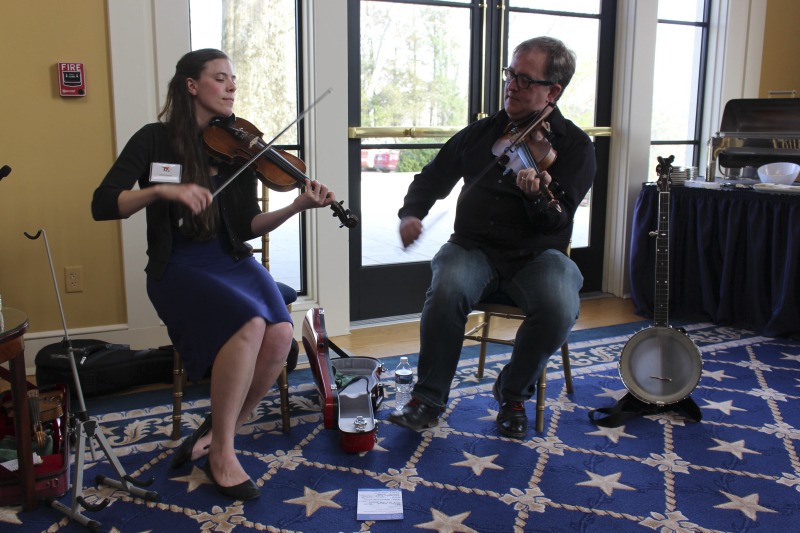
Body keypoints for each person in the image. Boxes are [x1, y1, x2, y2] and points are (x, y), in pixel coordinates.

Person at [92, 48, 336, 500]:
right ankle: (223, 451)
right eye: (220, 78)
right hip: (179, 265)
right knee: (248, 323)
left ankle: (220, 430)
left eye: (233, 80)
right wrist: (162, 190)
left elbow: (246, 226)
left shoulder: (237, 145)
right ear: (191, 85)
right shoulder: (153, 139)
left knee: (280, 332)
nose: (231, 87)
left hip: (228, 257)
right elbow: (103, 204)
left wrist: (296, 205)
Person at [389, 37, 596, 439]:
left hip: (537, 255)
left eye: (524, 79)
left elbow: (557, 221)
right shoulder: (482, 133)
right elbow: (431, 178)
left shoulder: (574, 146)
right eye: (510, 74)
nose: (511, 86)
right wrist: (412, 213)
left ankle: (513, 391)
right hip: (472, 248)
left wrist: (536, 197)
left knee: (559, 303)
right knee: (447, 288)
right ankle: (428, 399)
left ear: (553, 90)